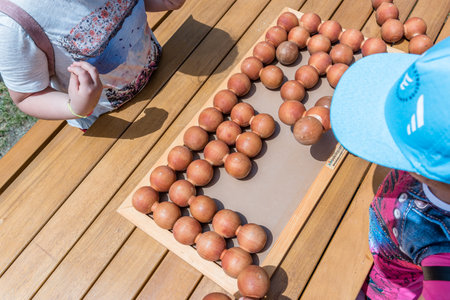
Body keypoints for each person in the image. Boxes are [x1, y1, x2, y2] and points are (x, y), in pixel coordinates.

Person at [330, 36, 450, 299]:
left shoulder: (442, 262)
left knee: (387, 288)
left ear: (418, 172)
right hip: (396, 237)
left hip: (400, 275)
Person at [0, 0, 186, 130]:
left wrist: (163, 2)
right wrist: (75, 107)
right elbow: (26, 96)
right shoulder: (13, 26)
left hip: (166, 69)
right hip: (111, 120)